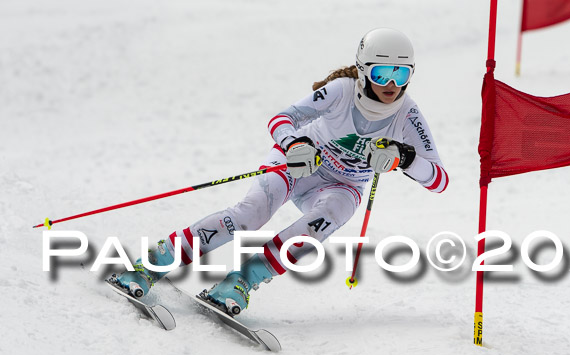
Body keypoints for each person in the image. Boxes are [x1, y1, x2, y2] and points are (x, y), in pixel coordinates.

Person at [113, 27, 449, 315]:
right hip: (301, 165)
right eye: (381, 74)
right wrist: (293, 145)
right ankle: (151, 264)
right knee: (250, 215)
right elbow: (281, 118)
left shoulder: (407, 114)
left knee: (319, 226)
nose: (391, 84)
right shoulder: (341, 91)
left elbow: (439, 179)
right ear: (363, 71)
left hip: (343, 186)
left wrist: (404, 158)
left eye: (400, 74)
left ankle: (241, 281)